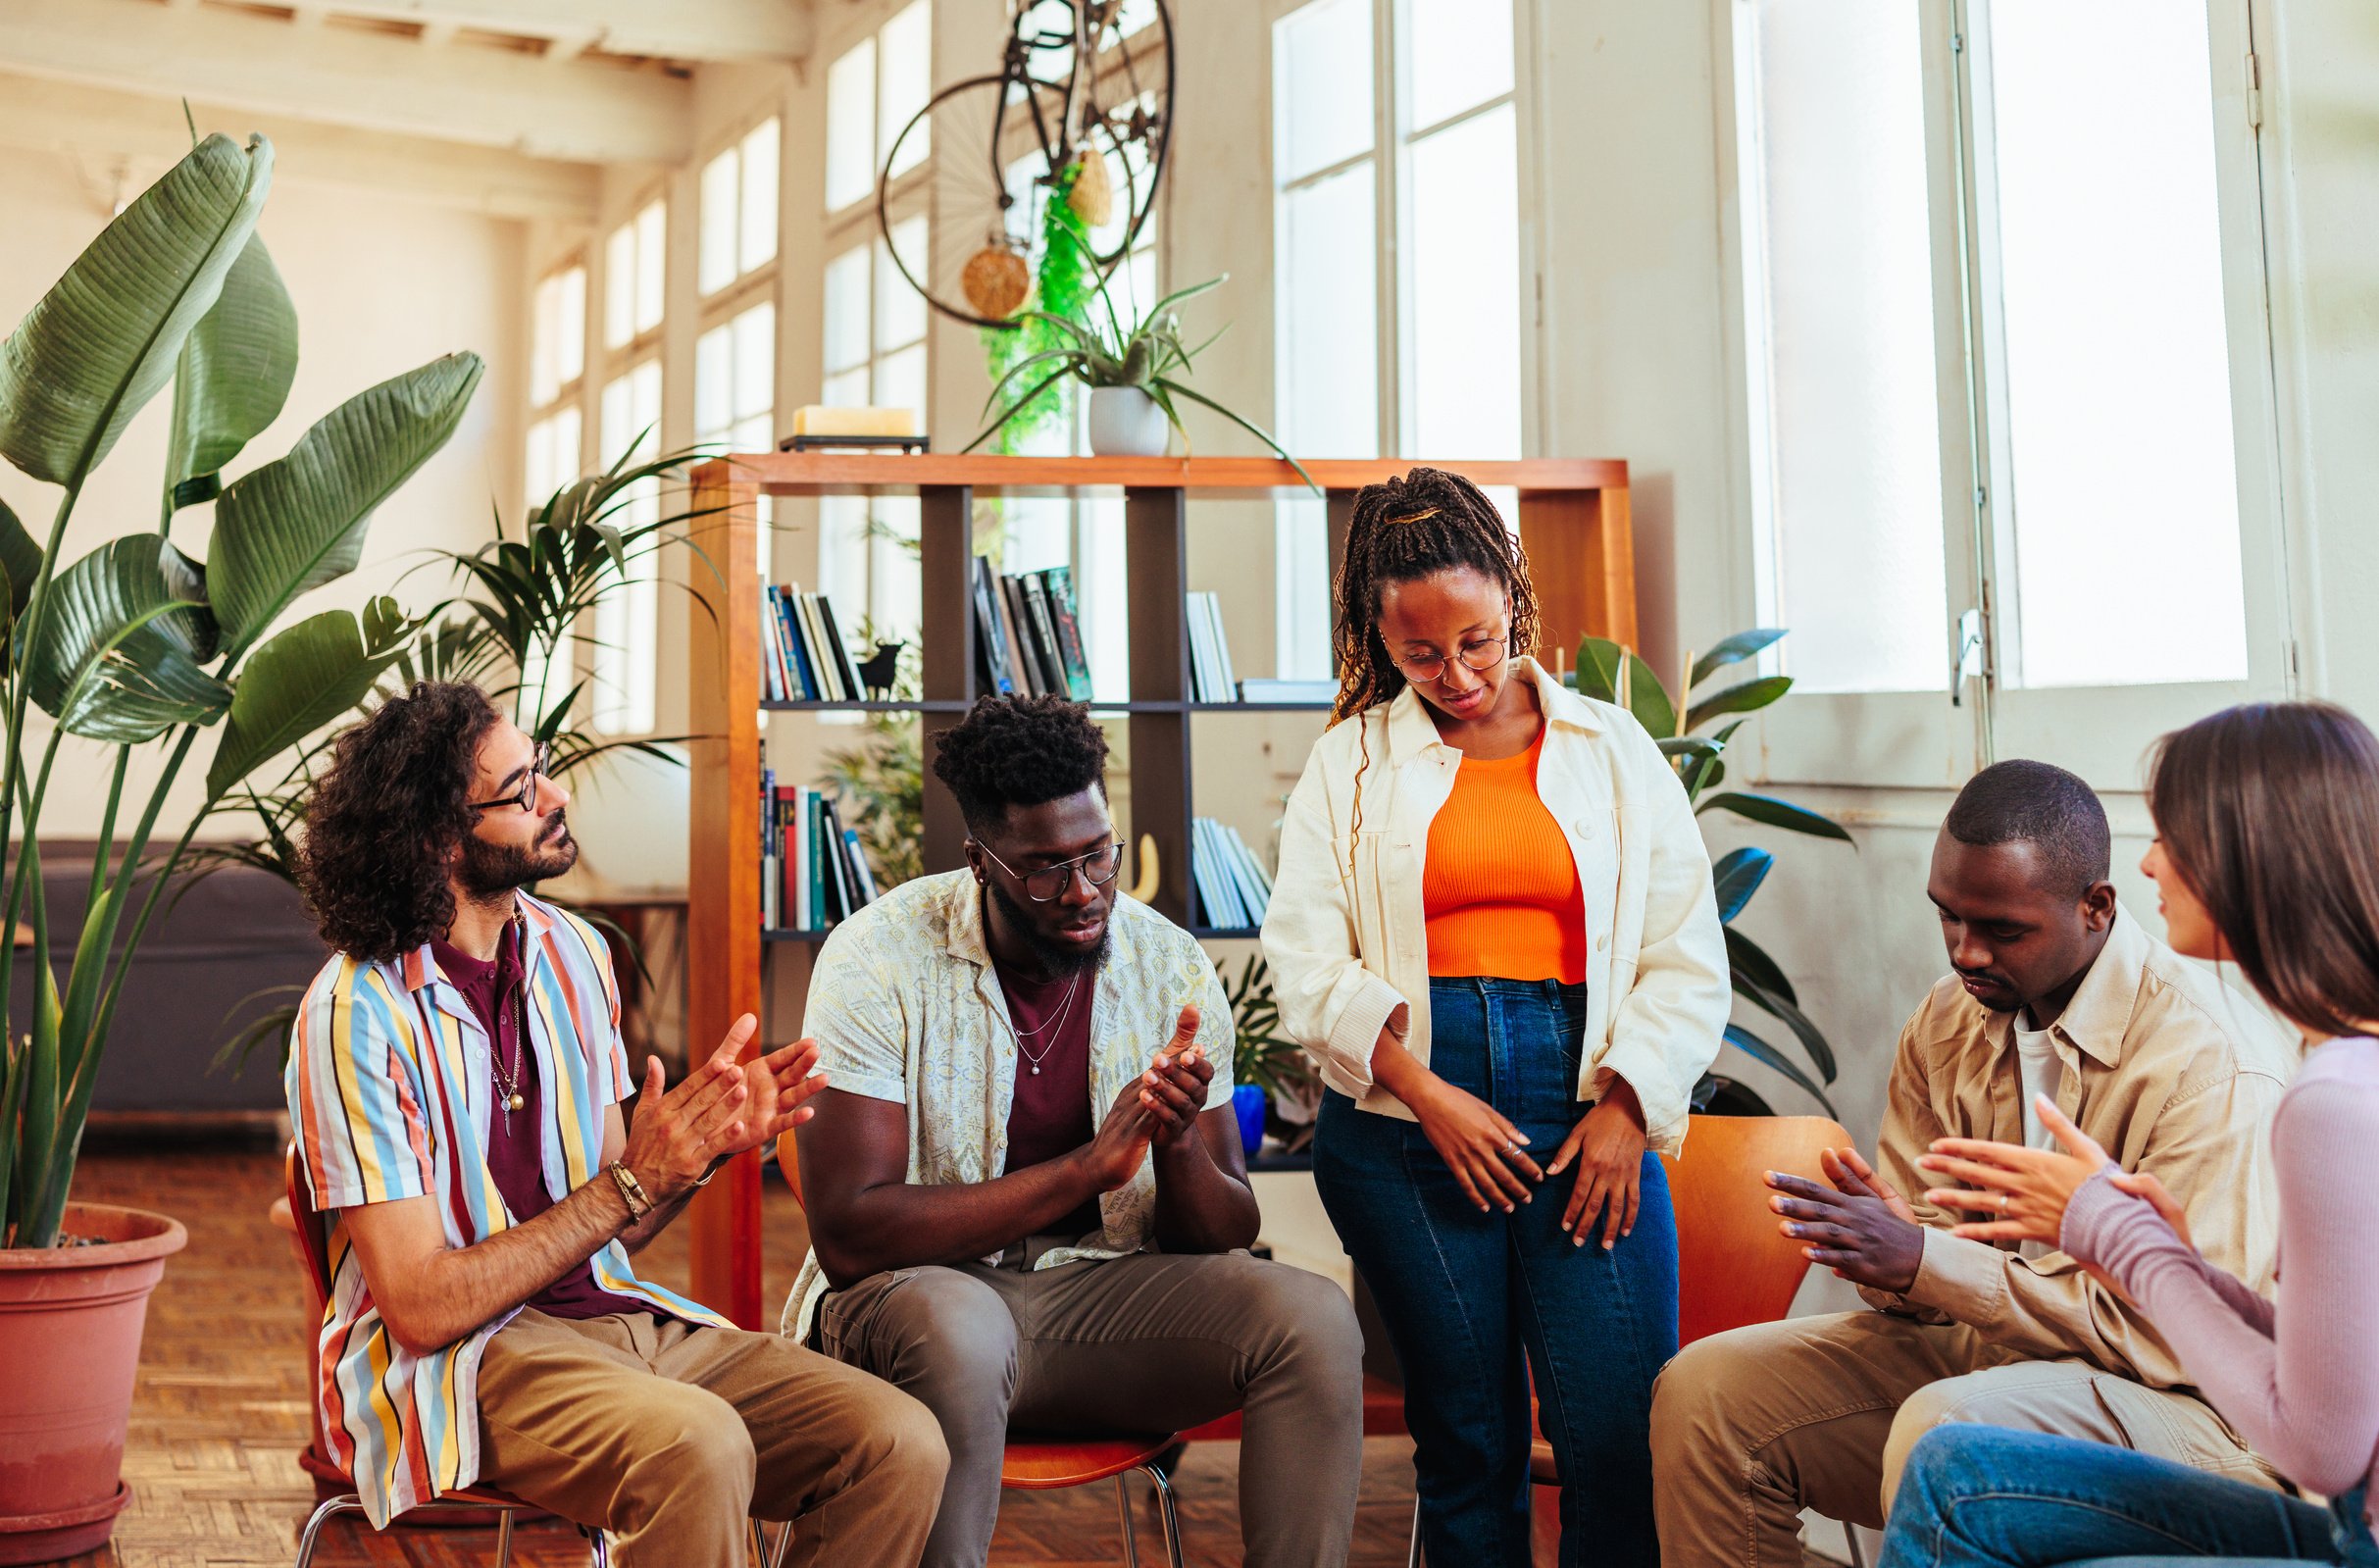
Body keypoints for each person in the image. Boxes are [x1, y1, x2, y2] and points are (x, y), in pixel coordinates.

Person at [285, 683, 946, 1566]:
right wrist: (629, 1180)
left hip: (616, 1316)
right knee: (698, 1448)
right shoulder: (354, 1013)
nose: (557, 797)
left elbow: (612, 1212)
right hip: (464, 1363)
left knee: (898, 1439)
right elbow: (419, 1307)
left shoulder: (573, 953)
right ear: (441, 838)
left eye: (544, 770)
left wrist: (691, 1155)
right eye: (524, 790)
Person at [1648, 758, 2298, 1568]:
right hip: (1998, 1364)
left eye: (2001, 929)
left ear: (2095, 907)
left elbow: (2178, 1340)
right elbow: (1923, 1270)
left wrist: (1927, 1262)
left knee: (1948, 1427)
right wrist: (1882, 1255)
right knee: (1706, 1393)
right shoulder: (1950, 1018)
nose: (1966, 952)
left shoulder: (2208, 1063)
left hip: (2204, 1416)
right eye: (1948, 918)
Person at [1261, 467, 1732, 1568]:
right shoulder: (1348, 765)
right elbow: (1303, 959)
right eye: (1419, 654)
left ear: (1512, 601)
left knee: (1618, 1434)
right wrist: (1424, 1096)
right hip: (1402, 1127)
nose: (1456, 675)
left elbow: (1682, 950)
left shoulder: (1611, 750)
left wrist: (1625, 1112)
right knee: (1465, 1440)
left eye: (1474, 640)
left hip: (1588, 1114)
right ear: (1375, 638)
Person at [787, 693, 1366, 1568]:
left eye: (1099, 854)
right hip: (920, 1304)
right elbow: (851, 1232)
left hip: (1097, 1303)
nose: (1086, 891)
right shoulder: (879, 957)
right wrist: (1088, 1167)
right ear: (981, 859)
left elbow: (1224, 1231)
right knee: (961, 1328)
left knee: (1314, 1317)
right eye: (1046, 868)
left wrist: (1174, 1145)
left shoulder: (1167, 962)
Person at [1881, 701, 2379, 1568]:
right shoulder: (2346, 1066)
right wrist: (2185, 1270)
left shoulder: (2330, 1101)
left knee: (1954, 1471)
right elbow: (2340, 1367)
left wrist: (2115, 1231)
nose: (2150, 860)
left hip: (2350, 1536)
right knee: (1955, 1471)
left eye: (2174, 838)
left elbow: (2321, 1445)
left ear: (2256, 862)